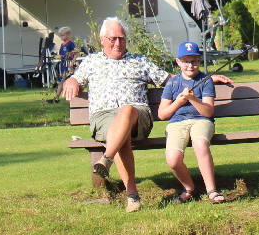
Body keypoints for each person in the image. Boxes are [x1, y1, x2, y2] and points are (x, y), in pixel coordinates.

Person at [61, 18, 231, 213]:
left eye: (122, 39)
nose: (118, 43)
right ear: (102, 40)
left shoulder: (139, 61)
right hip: (104, 118)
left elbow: (172, 80)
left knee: (126, 110)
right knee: (120, 131)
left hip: (138, 116)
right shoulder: (91, 62)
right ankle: (132, 195)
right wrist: (71, 80)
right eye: (113, 39)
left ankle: (108, 159)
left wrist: (206, 79)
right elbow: (75, 78)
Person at [159, 41, 223, 204]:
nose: (190, 65)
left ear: (199, 61)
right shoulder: (172, 83)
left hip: (201, 121)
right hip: (177, 123)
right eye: (186, 61)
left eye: (194, 61)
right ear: (178, 62)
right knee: (173, 159)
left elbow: (208, 111)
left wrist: (193, 99)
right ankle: (189, 188)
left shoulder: (206, 80)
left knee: (200, 144)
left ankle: (212, 190)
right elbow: (162, 114)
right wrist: (178, 102)